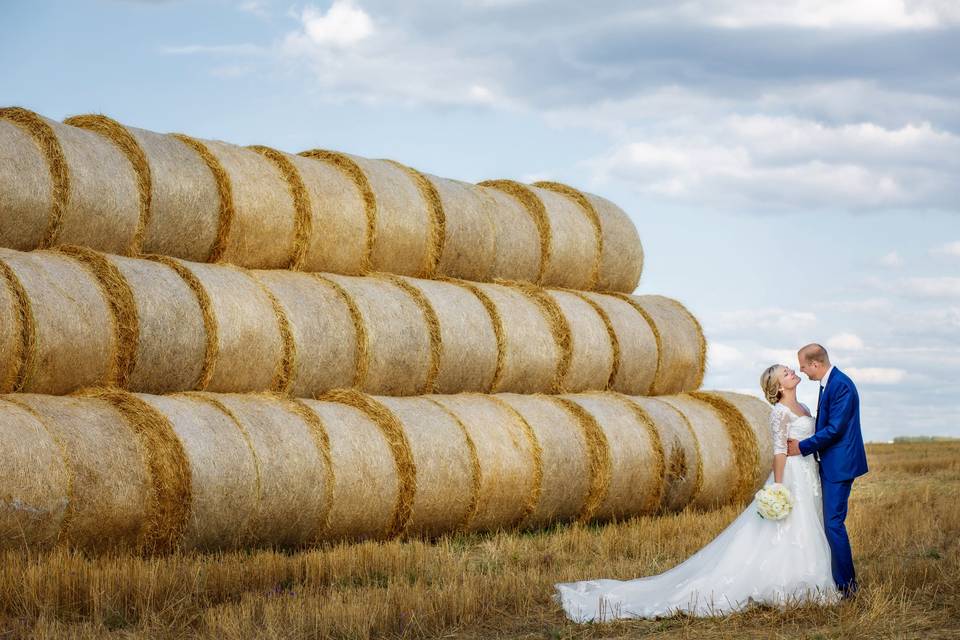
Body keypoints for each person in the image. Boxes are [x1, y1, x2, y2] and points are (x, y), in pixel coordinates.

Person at [554, 362, 841, 622]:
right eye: (786, 373)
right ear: (779, 387)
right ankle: (784, 582)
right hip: (790, 474)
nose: (792, 371)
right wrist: (778, 487)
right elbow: (779, 451)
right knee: (787, 527)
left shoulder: (802, 406)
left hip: (809, 474)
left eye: (790, 370)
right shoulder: (779, 413)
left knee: (807, 525)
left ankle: (804, 578)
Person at [787, 343, 868, 599]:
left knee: (833, 524)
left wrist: (802, 447)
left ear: (815, 364)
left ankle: (847, 587)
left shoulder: (841, 385)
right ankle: (837, 579)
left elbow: (835, 429)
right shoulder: (829, 382)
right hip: (832, 462)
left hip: (840, 466)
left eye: (803, 367)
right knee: (829, 523)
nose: (802, 372)